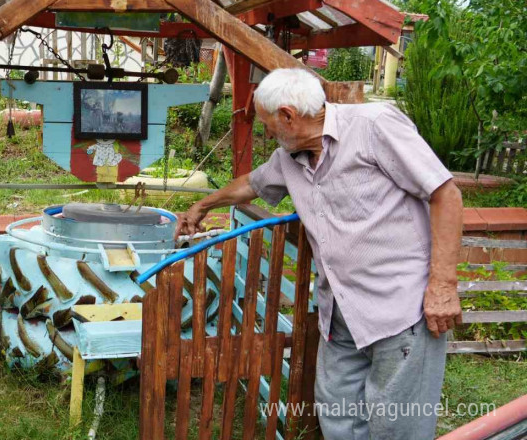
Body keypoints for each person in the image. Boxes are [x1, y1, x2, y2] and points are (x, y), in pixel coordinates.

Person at [176, 68, 463, 440]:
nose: (266, 133)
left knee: (396, 425)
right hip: (340, 312)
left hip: (400, 309)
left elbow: (445, 194)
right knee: (338, 415)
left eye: (267, 124)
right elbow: (250, 184)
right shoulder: (289, 158)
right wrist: (202, 205)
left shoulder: (374, 126)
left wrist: (443, 284)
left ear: (288, 116)